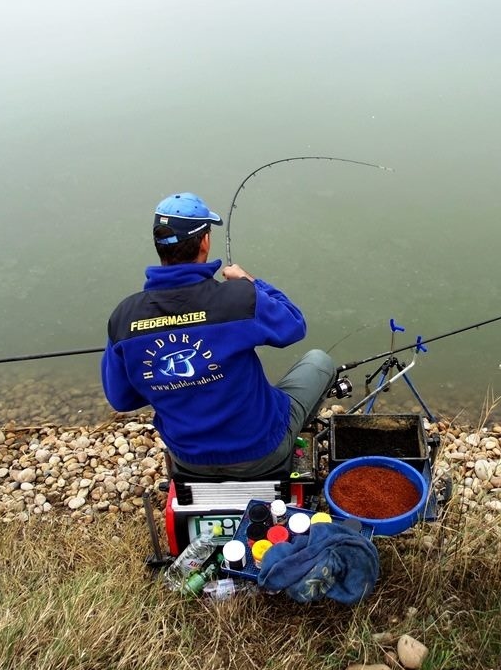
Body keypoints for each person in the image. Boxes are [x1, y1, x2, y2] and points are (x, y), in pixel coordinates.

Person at [101, 192, 336, 479]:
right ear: (204, 241)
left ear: (158, 245)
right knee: (319, 361)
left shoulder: (124, 317)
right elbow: (293, 325)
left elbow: (122, 400)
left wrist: (172, 383)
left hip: (188, 458)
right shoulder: (238, 298)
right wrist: (250, 282)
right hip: (262, 451)